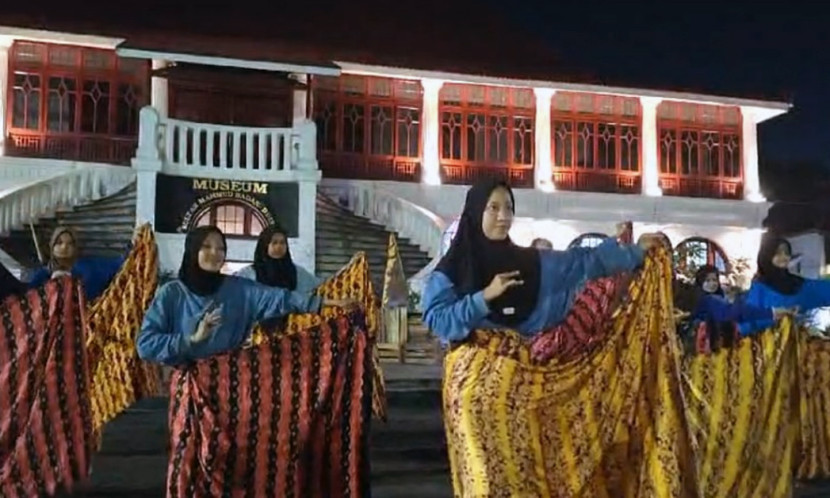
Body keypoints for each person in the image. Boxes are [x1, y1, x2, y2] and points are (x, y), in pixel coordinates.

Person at [421, 178, 663, 343]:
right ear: (475, 213)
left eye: (508, 207)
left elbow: (583, 262)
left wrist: (634, 251)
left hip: (531, 371)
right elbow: (438, 321)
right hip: (478, 382)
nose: (504, 216)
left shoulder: (531, 262)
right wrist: (483, 298)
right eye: (493, 208)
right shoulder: (451, 273)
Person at [137, 226, 355, 366]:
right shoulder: (172, 294)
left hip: (228, 384)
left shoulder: (240, 289)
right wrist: (190, 340)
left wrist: (332, 303)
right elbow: (145, 345)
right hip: (188, 388)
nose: (215, 253)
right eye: (206, 247)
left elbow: (283, 298)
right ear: (192, 251)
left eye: (221, 248)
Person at [739, 236, 830, 337]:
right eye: (778, 253)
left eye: (787, 253)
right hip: (767, 346)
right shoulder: (759, 288)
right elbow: (747, 322)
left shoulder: (798, 284)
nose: (784, 256)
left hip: (796, 346)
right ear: (767, 255)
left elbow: (822, 290)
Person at [28, 226, 136, 301]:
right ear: (52, 247)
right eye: (59, 243)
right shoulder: (42, 275)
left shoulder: (88, 268)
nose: (64, 247)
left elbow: (117, 264)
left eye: (70, 244)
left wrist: (132, 248)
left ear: (75, 248)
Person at [234, 224, 320, 292]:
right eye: (274, 243)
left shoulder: (297, 273)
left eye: (282, 243)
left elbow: (318, 286)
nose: (279, 247)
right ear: (265, 246)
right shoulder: (249, 274)